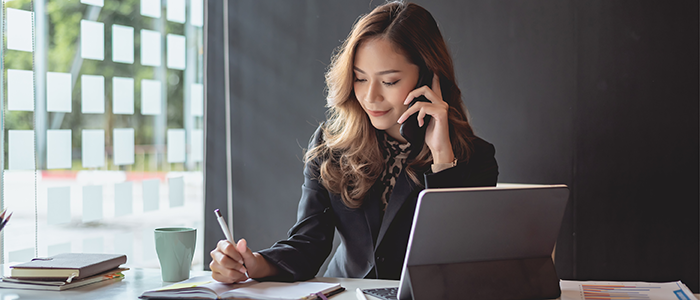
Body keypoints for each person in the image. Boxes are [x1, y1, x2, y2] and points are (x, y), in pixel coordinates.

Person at [210, 1, 499, 283]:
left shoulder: (477, 158)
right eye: (360, 79)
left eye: (389, 82)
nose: (370, 97)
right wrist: (253, 263)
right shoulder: (331, 144)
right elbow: (308, 242)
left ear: (428, 78)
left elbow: (456, 260)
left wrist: (441, 158)